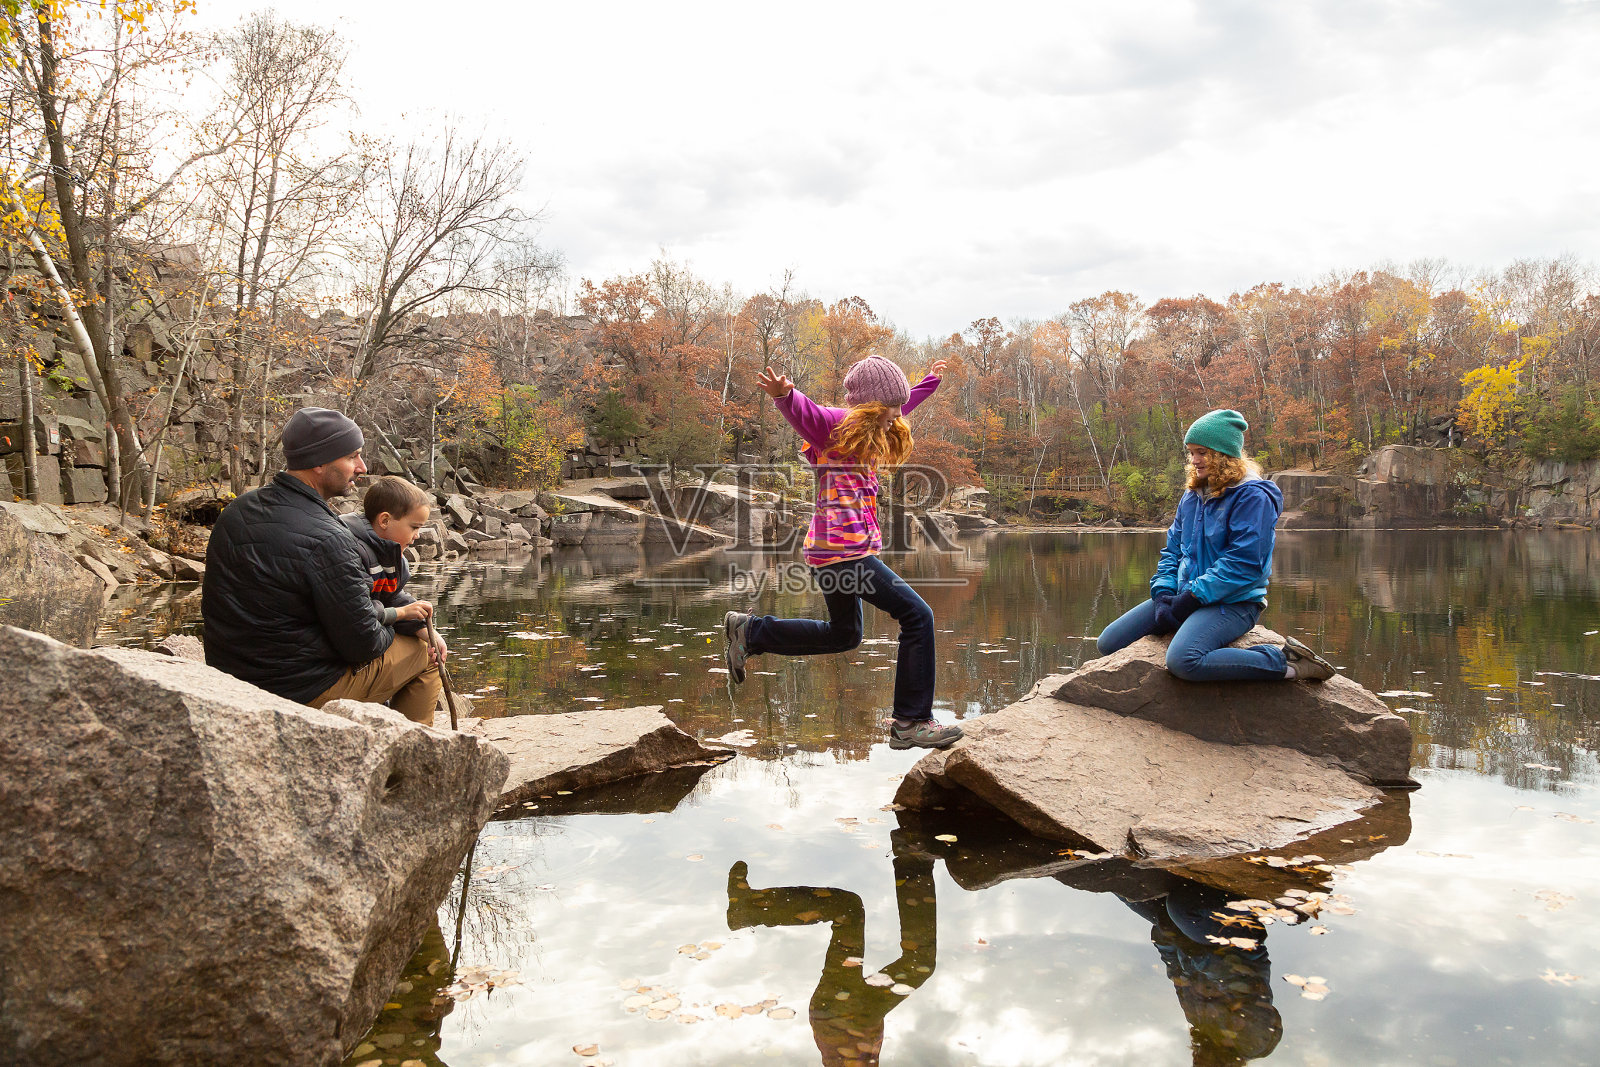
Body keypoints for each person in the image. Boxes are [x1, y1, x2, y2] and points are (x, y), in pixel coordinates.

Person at [722, 353, 962, 750]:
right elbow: (808, 414)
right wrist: (786, 395)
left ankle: (751, 632)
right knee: (917, 615)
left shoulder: (872, 430)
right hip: (842, 553)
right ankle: (911, 722)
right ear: (870, 406)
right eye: (890, 408)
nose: (897, 416)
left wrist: (929, 382)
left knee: (844, 635)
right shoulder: (835, 427)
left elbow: (906, 404)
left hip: (832, 551)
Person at [202, 407, 443, 722]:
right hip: (298, 690)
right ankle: (412, 761)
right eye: (352, 457)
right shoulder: (329, 538)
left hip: (232, 679)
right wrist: (401, 622)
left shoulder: (238, 510)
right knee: (426, 655)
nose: (362, 467)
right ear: (319, 462)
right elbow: (365, 645)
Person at [1095, 408, 1337, 682]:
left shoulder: (1252, 497)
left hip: (1235, 603)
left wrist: (1192, 598)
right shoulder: (1193, 494)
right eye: (1191, 452)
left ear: (1223, 454)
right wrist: (1163, 594)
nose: (1194, 460)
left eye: (1202, 452)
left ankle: (1286, 662)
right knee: (1109, 642)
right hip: (1185, 595)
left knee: (1183, 661)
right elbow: (1173, 550)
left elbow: (1244, 564)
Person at [343, 475, 448, 667]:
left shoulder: (394, 558)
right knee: (424, 661)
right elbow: (360, 611)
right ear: (385, 520)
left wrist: (426, 630)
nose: (417, 536)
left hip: (368, 641)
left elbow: (392, 596)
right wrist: (400, 613)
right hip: (347, 654)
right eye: (414, 527)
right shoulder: (350, 551)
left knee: (427, 652)